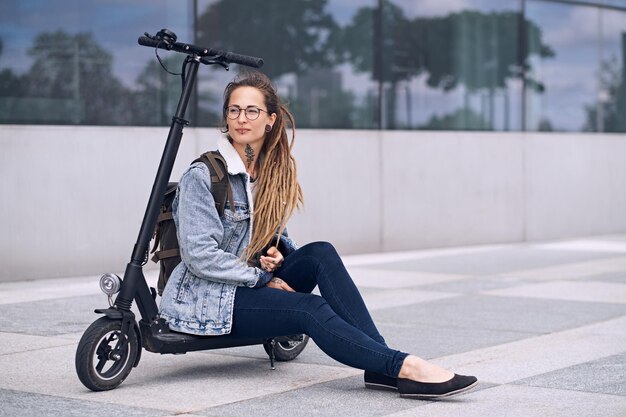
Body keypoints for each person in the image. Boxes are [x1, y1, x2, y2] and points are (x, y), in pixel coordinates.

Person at [158, 71, 478, 400]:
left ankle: (380, 366)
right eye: (234, 110)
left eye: (251, 111)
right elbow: (200, 256)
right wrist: (261, 278)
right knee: (310, 309)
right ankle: (404, 367)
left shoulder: (268, 172)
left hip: (247, 283)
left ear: (269, 120)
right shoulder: (203, 175)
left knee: (320, 253)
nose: (241, 118)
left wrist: (279, 251)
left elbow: (275, 235)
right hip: (209, 299)